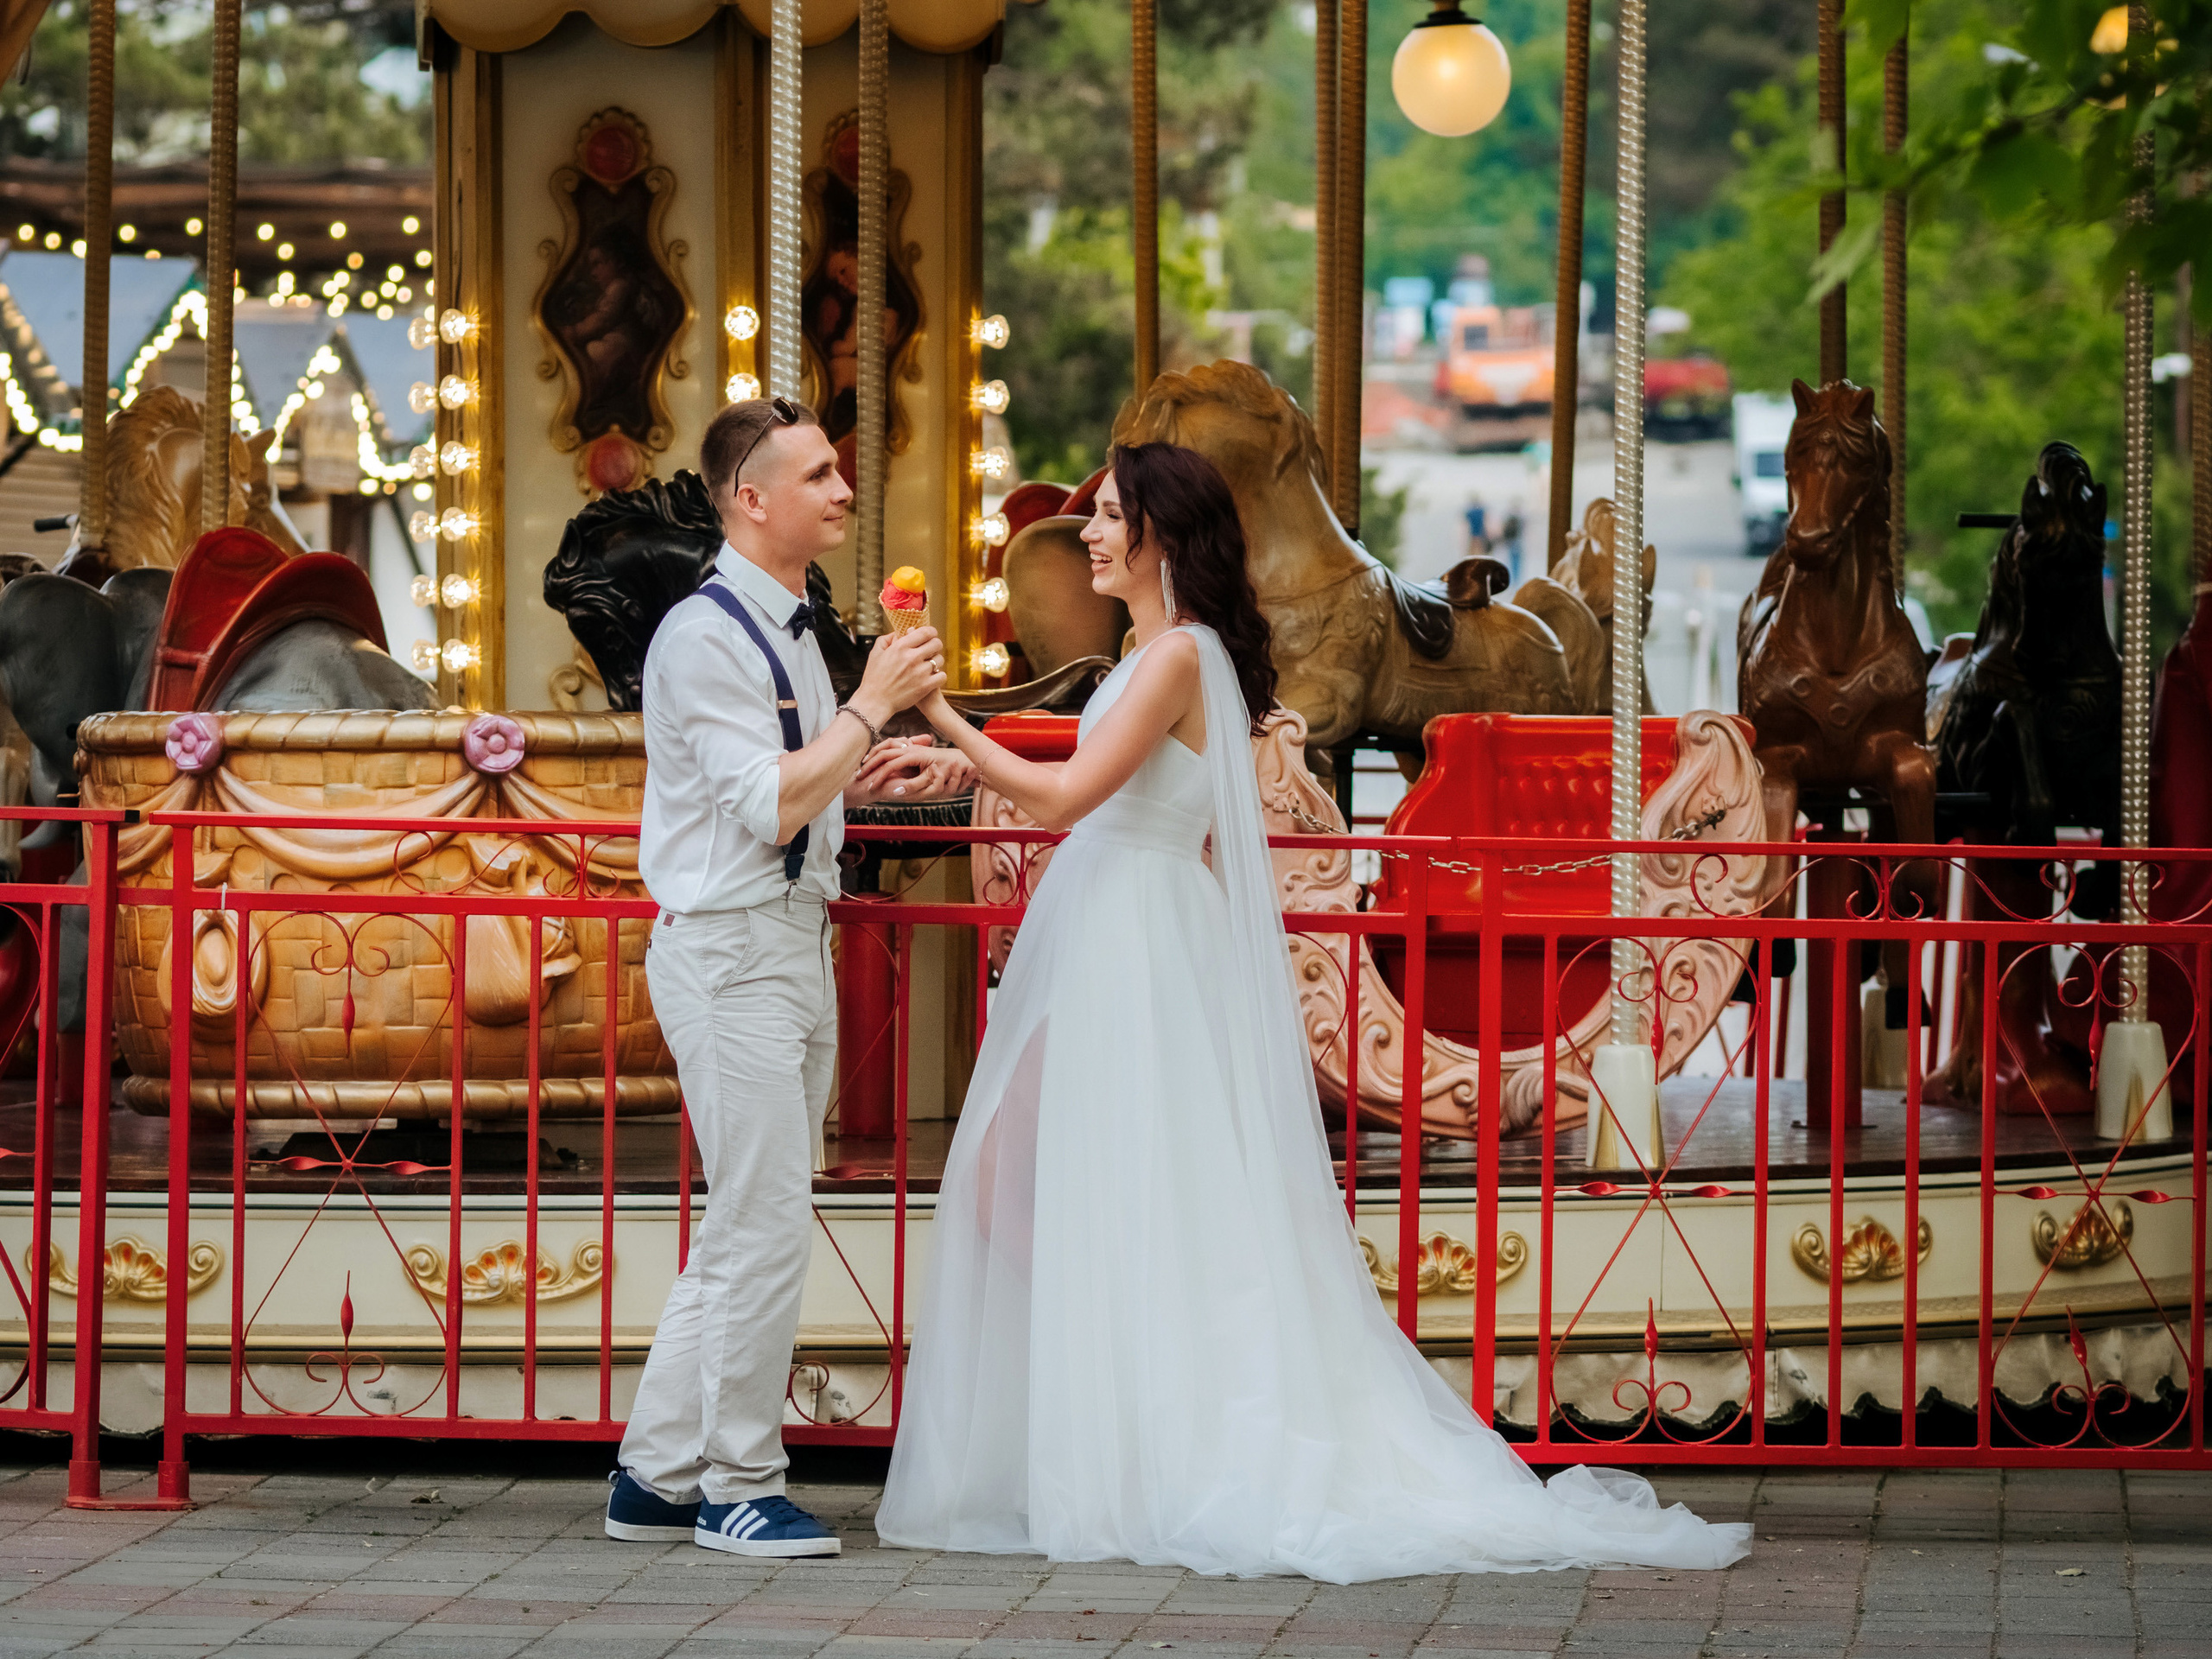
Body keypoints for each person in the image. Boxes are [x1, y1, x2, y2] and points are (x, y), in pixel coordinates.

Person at [875, 442, 1751, 1580]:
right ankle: (1126, 1394)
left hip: (1135, 927)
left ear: (1160, 535)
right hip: (1115, 919)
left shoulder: (1180, 655)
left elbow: (1063, 800)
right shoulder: (1147, 652)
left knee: (1065, 1173)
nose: (1087, 532)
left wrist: (937, 710)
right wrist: (964, 765)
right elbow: (1108, 793)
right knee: (1037, 1173)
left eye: (1109, 515)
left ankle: (1159, 1413)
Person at [607, 396, 973, 1559]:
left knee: (747, 1223)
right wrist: (870, 706)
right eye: (818, 475)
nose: (843, 490)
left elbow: (798, 786)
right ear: (751, 499)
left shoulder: (794, 625)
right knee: (763, 1226)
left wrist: (870, 778)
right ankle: (739, 1485)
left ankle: (656, 1476)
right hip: (731, 949)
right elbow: (765, 802)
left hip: (785, 938)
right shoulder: (704, 636)